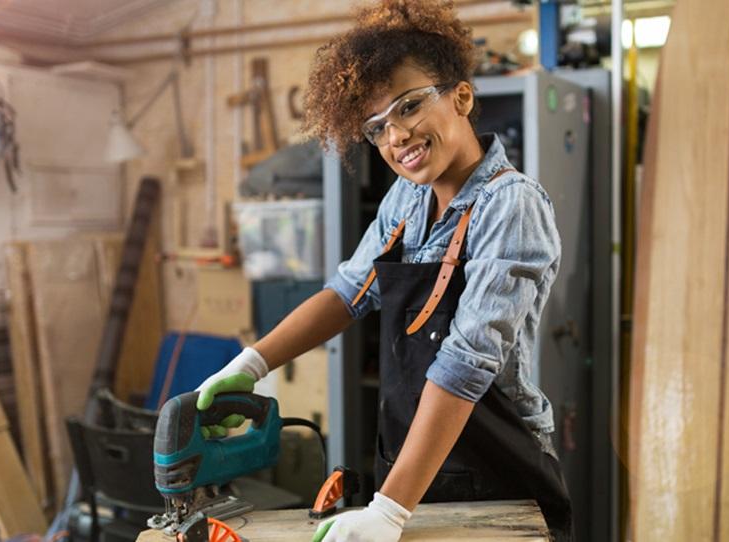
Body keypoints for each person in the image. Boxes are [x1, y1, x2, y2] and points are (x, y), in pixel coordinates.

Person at [195, 1, 573, 540]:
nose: (395, 136)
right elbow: (348, 292)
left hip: (499, 470)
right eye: (376, 128)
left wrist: (390, 510)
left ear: (461, 96)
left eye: (409, 106)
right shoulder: (407, 199)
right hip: (416, 465)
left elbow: (465, 364)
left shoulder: (510, 204)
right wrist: (251, 364)